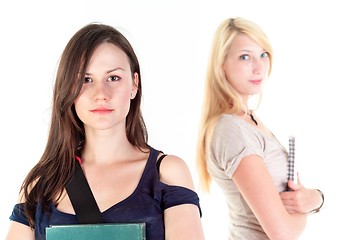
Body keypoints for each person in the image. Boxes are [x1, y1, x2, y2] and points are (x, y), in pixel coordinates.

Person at [6, 23, 204, 240]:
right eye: (86, 80)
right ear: (68, 88)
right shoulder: (41, 184)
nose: (101, 93)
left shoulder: (167, 173)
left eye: (113, 78)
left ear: (134, 85)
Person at [196, 17, 324, 239]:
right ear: (221, 65)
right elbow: (282, 234)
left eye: (263, 54)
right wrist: (308, 206)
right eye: (245, 57)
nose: (259, 67)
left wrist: (316, 198)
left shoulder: (249, 119)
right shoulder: (231, 128)